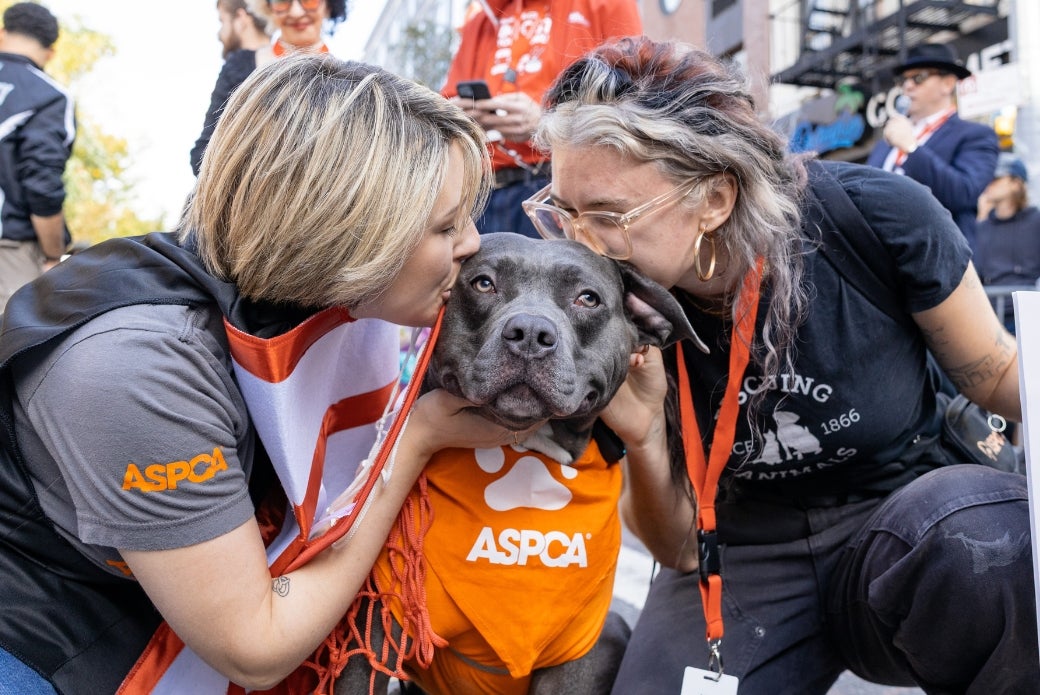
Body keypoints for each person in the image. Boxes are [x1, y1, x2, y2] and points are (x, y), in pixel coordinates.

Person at [0, 54, 532, 694]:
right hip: (44, 626)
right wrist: (415, 439)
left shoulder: (308, 292)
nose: (473, 242)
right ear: (349, 233)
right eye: (446, 226)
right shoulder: (138, 367)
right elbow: (256, 647)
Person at [525, 36, 1037, 694]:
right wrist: (645, 430)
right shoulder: (607, 309)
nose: (580, 244)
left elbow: (996, 374)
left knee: (994, 544)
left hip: (903, 518)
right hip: (741, 548)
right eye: (563, 212)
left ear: (715, 198)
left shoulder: (873, 217)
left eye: (607, 215)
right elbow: (678, 546)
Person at [442, 0, 641, 238]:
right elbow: (448, 101)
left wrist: (545, 121)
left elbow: (633, 100)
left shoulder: (607, 4)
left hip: (560, 190)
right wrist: (459, 115)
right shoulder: (480, 19)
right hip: (483, 192)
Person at [189, 0, 347, 175]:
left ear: (329, 5)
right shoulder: (241, 67)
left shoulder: (351, 83)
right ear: (267, 7)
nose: (295, 12)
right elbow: (204, 155)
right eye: (282, 1)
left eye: (308, 0)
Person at [866, 43, 998, 251]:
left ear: (947, 84)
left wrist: (911, 148)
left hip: (938, 255)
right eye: (903, 80)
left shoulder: (975, 135)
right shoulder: (886, 144)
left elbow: (963, 193)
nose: (908, 86)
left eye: (918, 78)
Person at [0, 1, 74, 313]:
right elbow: (42, 184)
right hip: (9, 253)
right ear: (50, 52)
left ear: (2, 33)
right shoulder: (48, 96)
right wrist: (53, 253)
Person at [975, 153, 1040, 332]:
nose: (989, 183)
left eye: (996, 178)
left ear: (1015, 183)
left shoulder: (1035, 221)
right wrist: (981, 218)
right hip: (989, 317)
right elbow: (975, 270)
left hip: (1026, 316)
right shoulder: (983, 224)